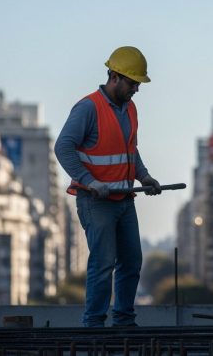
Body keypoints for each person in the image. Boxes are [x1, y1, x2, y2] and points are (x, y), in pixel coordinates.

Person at [55, 46, 162, 328]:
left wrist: (145, 177)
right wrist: (90, 182)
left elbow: (130, 150)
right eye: (132, 82)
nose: (137, 88)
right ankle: (94, 325)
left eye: (139, 83)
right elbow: (63, 147)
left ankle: (124, 320)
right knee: (103, 264)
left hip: (124, 199)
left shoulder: (130, 109)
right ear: (114, 76)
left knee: (131, 262)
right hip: (96, 201)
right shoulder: (88, 108)